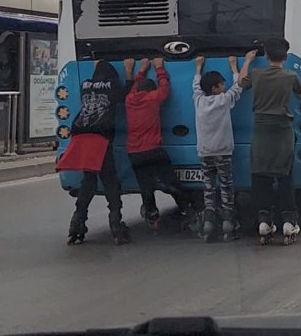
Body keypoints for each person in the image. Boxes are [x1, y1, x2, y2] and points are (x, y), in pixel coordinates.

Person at [239, 38, 301, 245]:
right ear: (285, 57)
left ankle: (264, 221)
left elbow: (240, 82)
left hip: (261, 129)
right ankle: (288, 221)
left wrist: (247, 61)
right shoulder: (291, 76)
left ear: (266, 55)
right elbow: (300, 95)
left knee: (261, 175)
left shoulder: (257, 74)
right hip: (283, 130)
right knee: (284, 176)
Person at [56, 60, 130, 245]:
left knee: (88, 181)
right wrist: (129, 73)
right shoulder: (112, 85)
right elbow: (125, 97)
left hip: (81, 136)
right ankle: (116, 225)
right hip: (100, 138)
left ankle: (77, 223)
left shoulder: (85, 85)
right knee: (110, 182)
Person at [124, 57, 196, 232]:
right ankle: (188, 209)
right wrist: (159, 68)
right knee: (171, 183)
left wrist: (141, 70)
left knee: (146, 187)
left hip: (134, 153)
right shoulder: (152, 98)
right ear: (151, 90)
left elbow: (134, 87)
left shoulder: (129, 100)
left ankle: (152, 216)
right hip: (153, 150)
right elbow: (165, 88)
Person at [193, 55, 246, 242]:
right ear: (215, 88)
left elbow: (196, 86)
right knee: (226, 186)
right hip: (223, 152)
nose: (224, 86)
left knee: (208, 187)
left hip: (205, 152)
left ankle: (208, 223)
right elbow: (238, 86)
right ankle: (228, 224)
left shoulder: (198, 101)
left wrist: (198, 67)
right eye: (222, 84)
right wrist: (234, 67)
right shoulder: (224, 100)